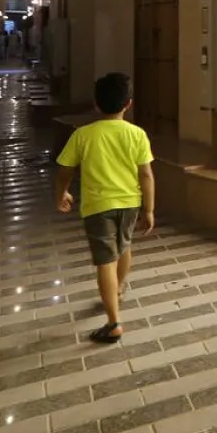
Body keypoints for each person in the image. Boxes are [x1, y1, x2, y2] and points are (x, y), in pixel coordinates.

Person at [53, 72, 156, 343]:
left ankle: (113, 322)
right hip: (130, 204)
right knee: (124, 247)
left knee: (105, 261)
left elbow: (66, 169)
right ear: (128, 104)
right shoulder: (137, 134)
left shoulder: (83, 135)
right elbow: (146, 174)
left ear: (96, 104)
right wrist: (149, 209)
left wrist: (61, 192)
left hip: (98, 207)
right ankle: (118, 288)